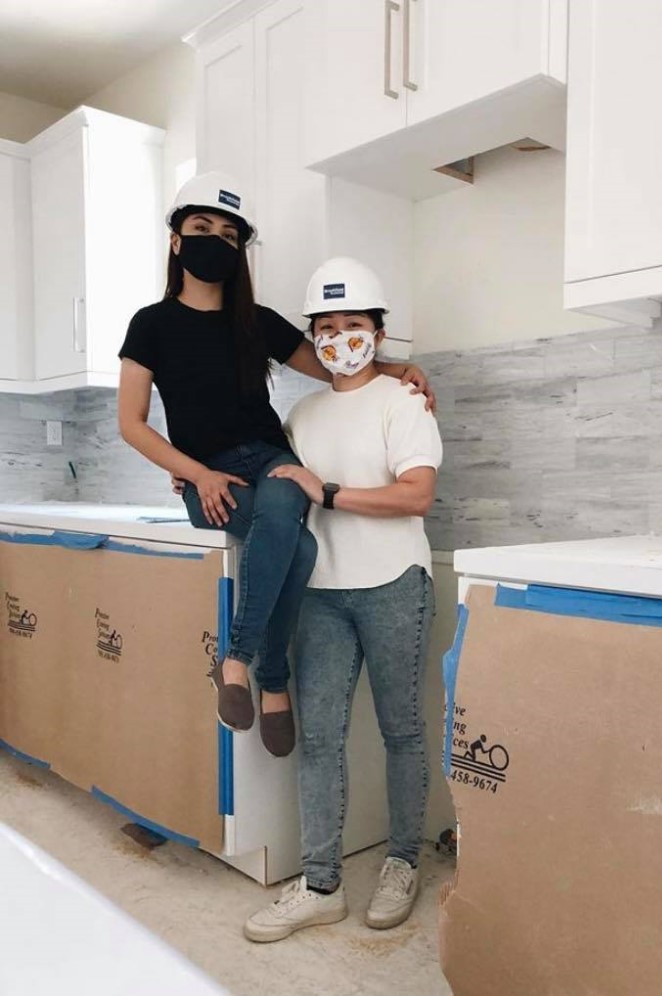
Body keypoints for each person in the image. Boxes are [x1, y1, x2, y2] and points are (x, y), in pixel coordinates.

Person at [117, 174, 433, 757]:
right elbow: (131, 423)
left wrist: (400, 371)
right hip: (208, 474)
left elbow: (335, 364)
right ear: (176, 240)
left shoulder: (255, 320)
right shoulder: (150, 324)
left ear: (240, 250)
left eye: (230, 235)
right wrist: (198, 472)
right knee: (304, 550)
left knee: (290, 505)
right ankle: (272, 680)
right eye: (203, 229)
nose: (216, 241)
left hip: (270, 458)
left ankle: (235, 659)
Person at [243, 257, 442, 942]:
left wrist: (327, 491)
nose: (338, 338)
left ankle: (402, 862)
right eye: (325, 327)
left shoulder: (404, 400)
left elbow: (417, 494)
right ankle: (322, 882)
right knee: (320, 738)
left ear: (377, 332)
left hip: (394, 584)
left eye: (353, 325)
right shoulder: (302, 412)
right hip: (320, 594)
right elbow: (275, 491)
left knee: (402, 730)